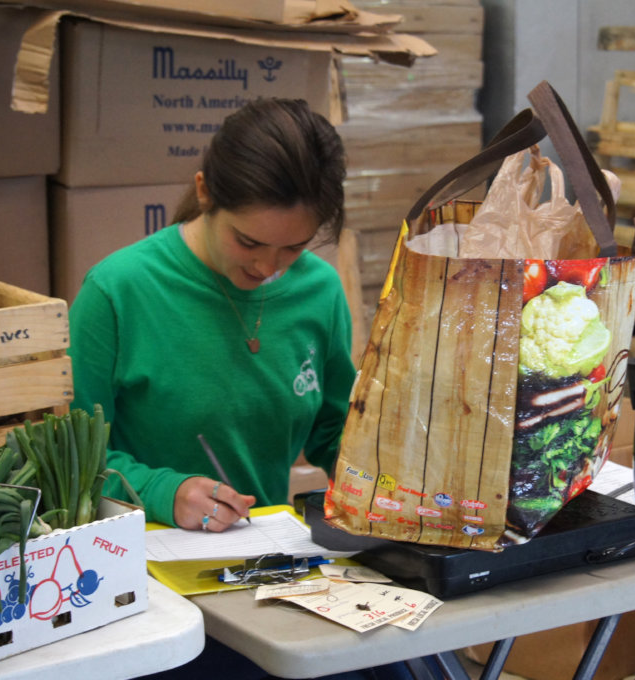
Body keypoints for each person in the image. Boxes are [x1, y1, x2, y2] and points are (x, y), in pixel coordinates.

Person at [68, 98, 412, 680]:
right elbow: (72, 462)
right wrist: (164, 490)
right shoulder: (117, 293)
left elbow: (336, 432)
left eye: (293, 248)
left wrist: (393, 478)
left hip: (269, 574)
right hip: (147, 592)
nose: (268, 268)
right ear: (205, 192)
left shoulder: (319, 291)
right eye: (249, 243)